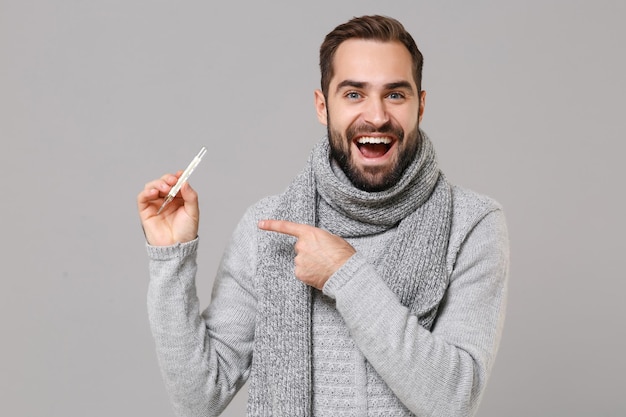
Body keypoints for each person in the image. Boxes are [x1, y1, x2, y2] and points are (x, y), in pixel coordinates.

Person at [137, 15, 509, 417]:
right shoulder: (269, 225)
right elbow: (199, 398)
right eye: (354, 94)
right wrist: (170, 260)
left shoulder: (472, 223)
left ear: (421, 104)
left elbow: (453, 400)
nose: (377, 116)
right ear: (322, 106)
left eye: (395, 95)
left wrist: (345, 274)